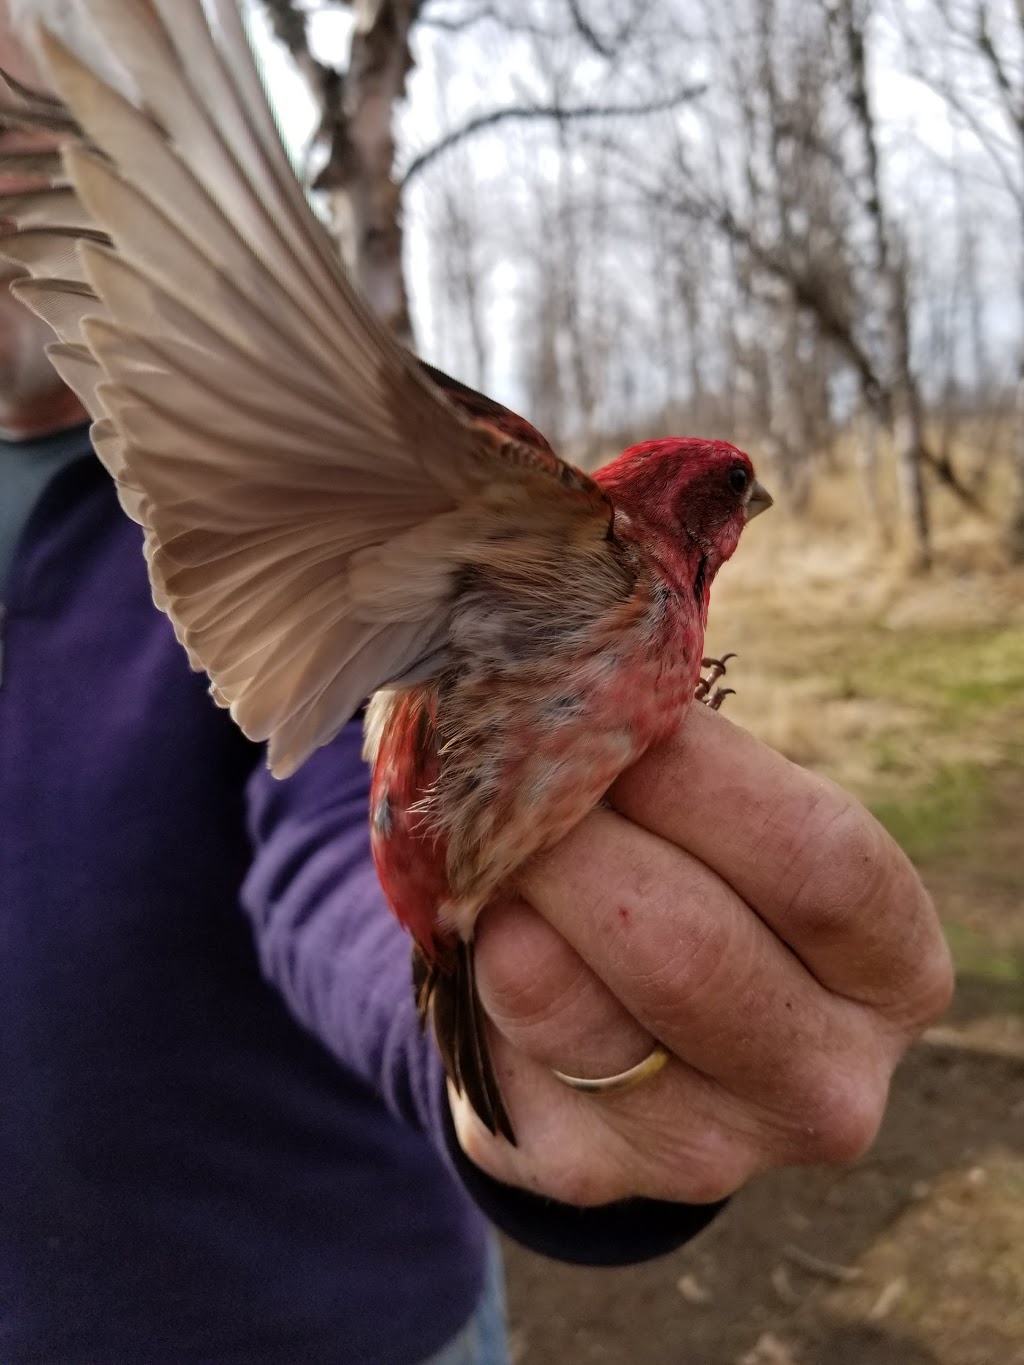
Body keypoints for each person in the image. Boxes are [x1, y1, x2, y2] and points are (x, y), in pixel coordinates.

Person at [0, 12, 953, 1364]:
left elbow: (336, 833)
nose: (21, 192)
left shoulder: (496, 543)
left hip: (352, 1321)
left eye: (43, 148)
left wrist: (541, 1059)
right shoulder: (587, 551)